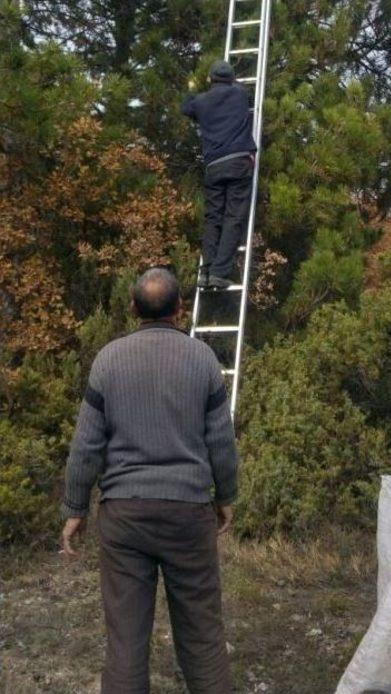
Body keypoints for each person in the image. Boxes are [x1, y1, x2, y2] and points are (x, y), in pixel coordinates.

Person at [60, 267, 238, 694]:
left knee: (125, 642)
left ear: (132, 308)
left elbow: (86, 444)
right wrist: (226, 495)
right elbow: (221, 441)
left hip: (124, 516)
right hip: (188, 515)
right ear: (181, 309)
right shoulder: (203, 359)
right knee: (203, 638)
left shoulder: (108, 360)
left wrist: (74, 507)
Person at [182, 60, 256, 290]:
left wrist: (193, 87)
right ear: (231, 79)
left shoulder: (201, 102)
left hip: (214, 165)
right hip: (239, 162)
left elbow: (186, 107)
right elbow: (245, 94)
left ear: (211, 79)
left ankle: (206, 271)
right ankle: (219, 272)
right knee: (233, 217)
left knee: (213, 218)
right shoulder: (241, 94)